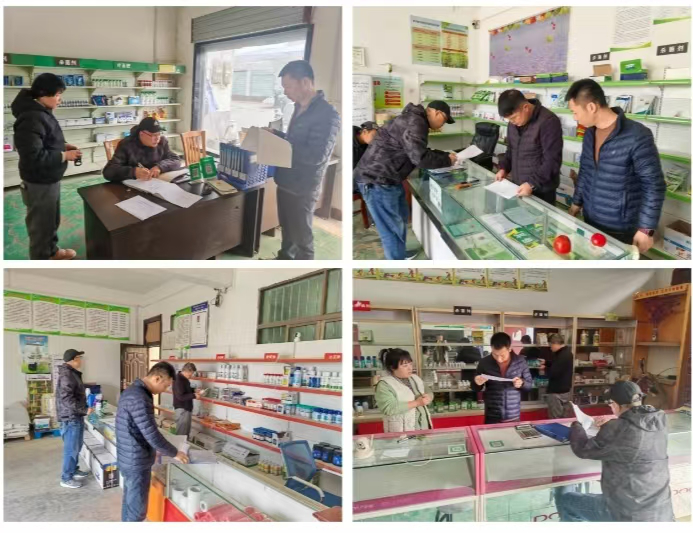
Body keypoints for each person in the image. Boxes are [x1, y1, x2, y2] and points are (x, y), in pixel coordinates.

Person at [565, 79, 665, 253]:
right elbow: (586, 170)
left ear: (591, 107)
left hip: (621, 227)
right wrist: (576, 202)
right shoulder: (589, 134)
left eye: (575, 112)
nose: (575, 117)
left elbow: (654, 184)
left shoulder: (637, 135)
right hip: (591, 220)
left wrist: (646, 229)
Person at [555, 381, 674, 522]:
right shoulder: (659, 419)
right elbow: (635, 433)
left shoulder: (618, 429)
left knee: (566, 501)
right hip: (661, 511)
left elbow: (583, 449)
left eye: (611, 404)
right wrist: (612, 424)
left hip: (626, 515)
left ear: (616, 405)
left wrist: (577, 425)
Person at [354, 101, 458, 259]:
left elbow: (417, 150)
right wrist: (447, 160)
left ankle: (399, 253)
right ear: (437, 113)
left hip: (389, 178)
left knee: (400, 220)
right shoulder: (415, 122)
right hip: (377, 180)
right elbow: (420, 158)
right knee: (391, 229)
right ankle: (396, 261)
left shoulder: (414, 119)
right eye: (444, 120)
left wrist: (444, 155)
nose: (442, 125)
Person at [271, 60, 341, 260]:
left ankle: (305, 268)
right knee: (287, 231)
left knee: (302, 238)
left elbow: (317, 156)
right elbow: (295, 141)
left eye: (288, 86)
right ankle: (284, 260)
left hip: (303, 187)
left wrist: (284, 147)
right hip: (285, 179)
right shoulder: (297, 107)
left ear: (305, 82)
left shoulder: (327, 114)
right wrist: (277, 136)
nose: (285, 92)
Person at [12, 73, 82, 260]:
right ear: (43, 94)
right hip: (39, 182)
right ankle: (42, 260)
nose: (60, 99)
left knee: (51, 221)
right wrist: (64, 155)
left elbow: (45, 141)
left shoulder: (41, 112)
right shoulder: (31, 118)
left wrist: (63, 146)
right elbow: (33, 157)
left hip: (49, 178)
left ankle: (52, 251)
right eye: (57, 95)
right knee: (41, 226)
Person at [116, 362, 189, 522]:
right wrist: (175, 453)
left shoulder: (132, 391)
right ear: (157, 378)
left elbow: (142, 430)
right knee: (137, 511)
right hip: (136, 461)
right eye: (166, 385)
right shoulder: (140, 398)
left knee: (129, 502)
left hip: (128, 456)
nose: (165, 389)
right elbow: (151, 434)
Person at [495, 90, 563, 205]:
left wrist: (532, 184)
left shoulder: (548, 121)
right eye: (509, 120)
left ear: (526, 107)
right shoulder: (514, 123)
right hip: (519, 187)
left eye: (514, 118)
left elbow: (552, 161)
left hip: (541, 190)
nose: (512, 122)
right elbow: (511, 149)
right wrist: (504, 168)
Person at [472, 332, 533, 424]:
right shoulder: (484, 362)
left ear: (509, 348)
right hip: (492, 416)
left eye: (502, 355)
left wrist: (522, 383)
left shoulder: (520, 361)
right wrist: (476, 383)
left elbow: (529, 385)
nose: (499, 359)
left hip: (513, 415)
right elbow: (475, 388)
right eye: (495, 355)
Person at [102, 117, 182, 182]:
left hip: (156, 184)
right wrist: (133, 172)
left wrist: (160, 167)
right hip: (132, 188)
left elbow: (176, 159)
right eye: (153, 135)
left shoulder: (162, 141)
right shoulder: (126, 144)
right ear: (141, 134)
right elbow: (108, 171)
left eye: (159, 134)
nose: (157, 138)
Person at [56, 349, 91, 489]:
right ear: (74, 359)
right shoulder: (67, 375)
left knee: (77, 446)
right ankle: (66, 478)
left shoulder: (72, 373)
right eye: (80, 357)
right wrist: (84, 410)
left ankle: (73, 470)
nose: (81, 360)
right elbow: (67, 399)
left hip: (75, 416)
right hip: (70, 417)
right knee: (71, 449)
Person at [374, 348, 433, 432]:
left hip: (423, 426)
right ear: (392, 367)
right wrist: (417, 403)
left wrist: (428, 397)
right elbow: (389, 408)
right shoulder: (385, 384)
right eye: (405, 366)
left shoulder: (415, 378)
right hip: (402, 431)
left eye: (410, 364)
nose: (410, 368)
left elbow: (428, 391)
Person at [539, 333, 574, 419]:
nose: (550, 348)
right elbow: (557, 365)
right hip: (565, 390)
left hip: (557, 392)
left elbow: (553, 373)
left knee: (555, 418)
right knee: (564, 418)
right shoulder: (566, 352)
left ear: (555, 343)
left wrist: (544, 369)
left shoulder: (562, 355)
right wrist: (546, 363)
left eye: (551, 345)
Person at [173, 363, 205, 436]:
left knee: (185, 432)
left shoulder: (183, 378)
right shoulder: (179, 380)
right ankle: (181, 444)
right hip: (183, 409)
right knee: (182, 433)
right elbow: (180, 396)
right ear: (187, 371)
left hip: (185, 409)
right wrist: (194, 395)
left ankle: (183, 443)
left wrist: (194, 390)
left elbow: (184, 390)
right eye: (191, 373)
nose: (191, 375)